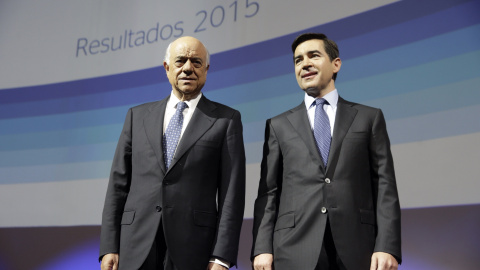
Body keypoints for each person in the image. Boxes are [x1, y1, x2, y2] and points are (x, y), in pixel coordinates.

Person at [251, 33, 401, 270]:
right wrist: (261, 248)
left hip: (358, 247)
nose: (305, 63)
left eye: (314, 56)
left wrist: (387, 245)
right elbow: (269, 192)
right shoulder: (278, 125)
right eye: (298, 60)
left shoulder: (368, 118)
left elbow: (384, 185)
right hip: (293, 248)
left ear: (335, 64)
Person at [99, 36, 246, 270]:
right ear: (167, 68)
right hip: (135, 246)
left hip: (194, 249)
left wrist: (221, 257)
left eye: (196, 62)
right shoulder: (137, 117)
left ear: (206, 70)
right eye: (181, 61)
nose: (188, 68)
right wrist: (109, 246)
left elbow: (232, 195)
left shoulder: (226, 120)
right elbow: (118, 184)